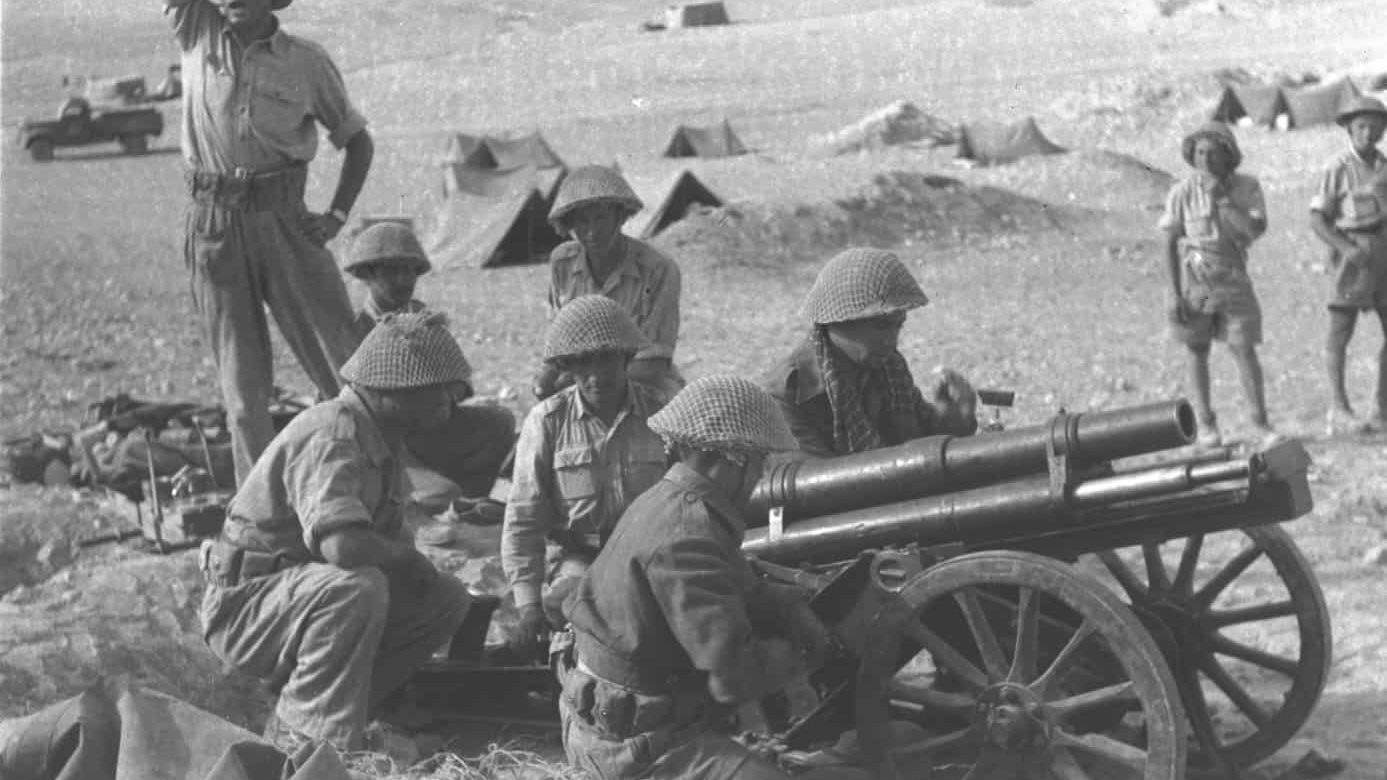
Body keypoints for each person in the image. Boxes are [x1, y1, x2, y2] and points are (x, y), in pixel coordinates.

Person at [558, 375, 869, 779]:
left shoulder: (673, 503)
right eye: (759, 460)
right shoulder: (687, 535)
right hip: (635, 749)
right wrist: (807, 655)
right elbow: (732, 678)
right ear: (732, 458)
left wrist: (794, 603)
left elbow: (744, 588)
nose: (762, 474)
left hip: (629, 722)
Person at [198, 312, 474, 754]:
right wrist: (406, 559)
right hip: (247, 605)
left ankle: (355, 712)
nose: (449, 404)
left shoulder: (380, 437)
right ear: (394, 391)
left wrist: (413, 567)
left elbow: (380, 539)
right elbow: (343, 547)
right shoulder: (333, 432)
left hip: (297, 595)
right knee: (357, 586)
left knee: (444, 597)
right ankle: (299, 739)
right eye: (437, 392)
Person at [164, 0, 374, 484]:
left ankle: (370, 484)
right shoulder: (198, 31)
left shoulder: (306, 61)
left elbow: (358, 142)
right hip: (214, 223)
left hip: (285, 220)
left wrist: (336, 215)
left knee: (341, 363)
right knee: (242, 390)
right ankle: (260, 516)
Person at [501, 296, 668, 660]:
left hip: (654, 557)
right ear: (566, 368)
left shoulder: (663, 414)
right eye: (582, 363)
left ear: (626, 358)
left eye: (607, 359)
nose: (596, 376)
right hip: (581, 558)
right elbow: (522, 520)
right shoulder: (547, 422)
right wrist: (528, 605)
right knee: (572, 604)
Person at [345, 222, 515, 509]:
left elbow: (460, 379)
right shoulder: (353, 329)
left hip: (432, 426)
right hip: (388, 442)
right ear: (368, 274)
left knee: (499, 422)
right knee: (440, 494)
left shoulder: (423, 317)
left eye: (409, 271)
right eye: (391, 271)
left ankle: (467, 503)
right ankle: (426, 496)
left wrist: (442, 397)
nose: (402, 280)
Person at [765, 247, 977, 458]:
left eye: (898, 326)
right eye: (881, 326)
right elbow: (812, 482)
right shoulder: (789, 392)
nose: (891, 341)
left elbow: (921, 444)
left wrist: (954, 420)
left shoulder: (888, 368)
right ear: (839, 321)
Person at [1160, 121, 1273, 446]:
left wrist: (1223, 201)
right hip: (1196, 280)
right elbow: (1168, 241)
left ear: (1228, 156)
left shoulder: (1247, 187)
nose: (1205, 160)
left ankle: (1260, 423)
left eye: (1212, 153)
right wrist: (1174, 293)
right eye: (1199, 153)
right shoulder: (1181, 193)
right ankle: (1207, 425)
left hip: (1234, 277)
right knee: (1197, 350)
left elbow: (1252, 231)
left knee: (1244, 349)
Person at [539, 165, 684, 404]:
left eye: (601, 219)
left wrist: (584, 380)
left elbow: (654, 362)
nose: (593, 232)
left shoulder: (658, 269)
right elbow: (557, 344)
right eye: (583, 222)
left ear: (620, 217)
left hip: (643, 382)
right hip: (578, 381)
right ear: (570, 225)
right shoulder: (562, 263)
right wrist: (545, 379)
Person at [1311, 96, 1387, 435]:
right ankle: (1339, 407)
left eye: (1375, 127)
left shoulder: (1385, 167)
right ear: (1349, 129)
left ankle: (1382, 407)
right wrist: (1345, 248)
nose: (1368, 133)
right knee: (1341, 332)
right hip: (1352, 254)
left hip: (1384, 253)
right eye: (1361, 127)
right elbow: (1317, 219)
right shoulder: (1337, 167)